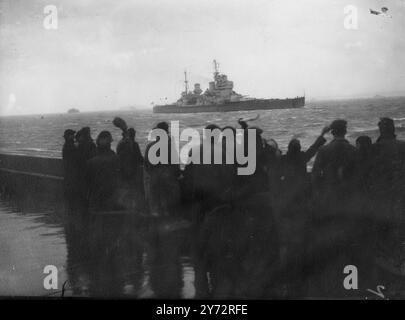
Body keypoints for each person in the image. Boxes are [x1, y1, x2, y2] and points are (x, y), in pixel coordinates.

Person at [144, 122, 181, 217]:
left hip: (154, 182)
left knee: (155, 211)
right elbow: (176, 167)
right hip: (168, 182)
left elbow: (147, 166)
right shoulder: (170, 146)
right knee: (169, 211)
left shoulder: (150, 146)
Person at [86, 131, 121, 211]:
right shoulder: (115, 158)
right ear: (109, 144)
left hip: (96, 198)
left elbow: (87, 181)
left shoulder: (91, 161)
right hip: (111, 198)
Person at [62, 129, 79, 208]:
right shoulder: (70, 146)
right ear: (69, 136)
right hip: (72, 171)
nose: (74, 136)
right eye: (72, 135)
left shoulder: (67, 145)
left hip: (68, 171)